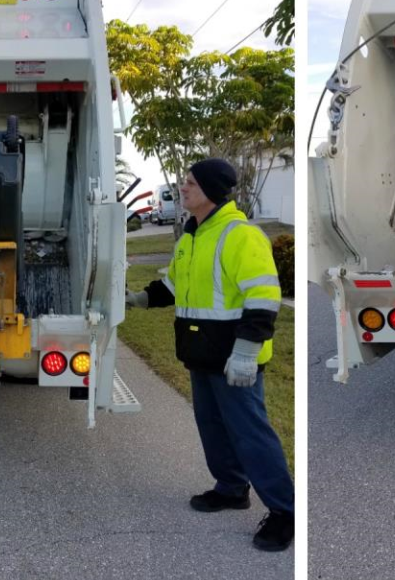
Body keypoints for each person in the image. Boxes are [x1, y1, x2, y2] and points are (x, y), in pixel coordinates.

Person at [125, 158, 294, 551]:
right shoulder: (192, 235)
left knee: (250, 434)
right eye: (184, 181)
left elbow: (264, 296)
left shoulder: (240, 235)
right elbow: (173, 286)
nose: (182, 187)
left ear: (212, 190)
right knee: (212, 427)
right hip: (201, 353)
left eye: (190, 182)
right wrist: (138, 299)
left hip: (235, 358)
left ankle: (285, 512)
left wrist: (246, 353)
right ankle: (231, 488)